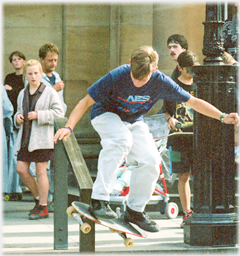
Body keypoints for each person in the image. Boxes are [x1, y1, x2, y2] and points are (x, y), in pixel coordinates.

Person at [53, 46, 238, 233]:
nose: (138, 82)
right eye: (135, 77)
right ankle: (99, 199)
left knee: (152, 160)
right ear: (129, 64)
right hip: (105, 115)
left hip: (134, 121)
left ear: (155, 70)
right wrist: (69, 127)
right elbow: (85, 101)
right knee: (121, 140)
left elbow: (194, 102)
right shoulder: (117, 75)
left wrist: (222, 116)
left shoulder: (162, 82)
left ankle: (135, 210)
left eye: (144, 79)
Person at [14, 59, 64, 220]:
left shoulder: (49, 91)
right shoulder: (22, 92)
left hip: (42, 138)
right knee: (21, 169)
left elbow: (59, 113)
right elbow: (19, 111)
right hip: (25, 138)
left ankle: (43, 207)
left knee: (41, 171)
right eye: (30, 73)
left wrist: (39, 115)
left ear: (40, 73)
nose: (33, 76)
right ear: (26, 75)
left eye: (36, 73)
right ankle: (39, 199)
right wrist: (18, 117)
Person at [162, 51, 199, 228]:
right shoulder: (172, 86)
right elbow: (166, 111)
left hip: (198, 138)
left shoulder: (200, 85)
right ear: (180, 68)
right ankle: (186, 212)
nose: (191, 72)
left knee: (201, 176)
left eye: (193, 68)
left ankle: (200, 211)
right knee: (183, 175)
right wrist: (170, 119)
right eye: (188, 69)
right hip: (178, 139)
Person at [38, 43, 67, 211]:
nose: (53, 63)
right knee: (43, 166)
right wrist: (53, 90)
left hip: (59, 123)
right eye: (50, 60)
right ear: (42, 60)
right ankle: (44, 198)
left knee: (59, 163)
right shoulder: (37, 76)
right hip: (44, 125)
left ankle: (56, 198)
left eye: (55, 60)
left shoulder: (56, 75)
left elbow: (59, 103)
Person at [3, 51, 26, 196]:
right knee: (12, 153)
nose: (16, 62)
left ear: (23, 61)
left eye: (18, 59)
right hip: (12, 118)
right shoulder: (9, 77)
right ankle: (13, 187)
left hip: (25, 117)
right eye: (13, 60)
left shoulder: (28, 77)